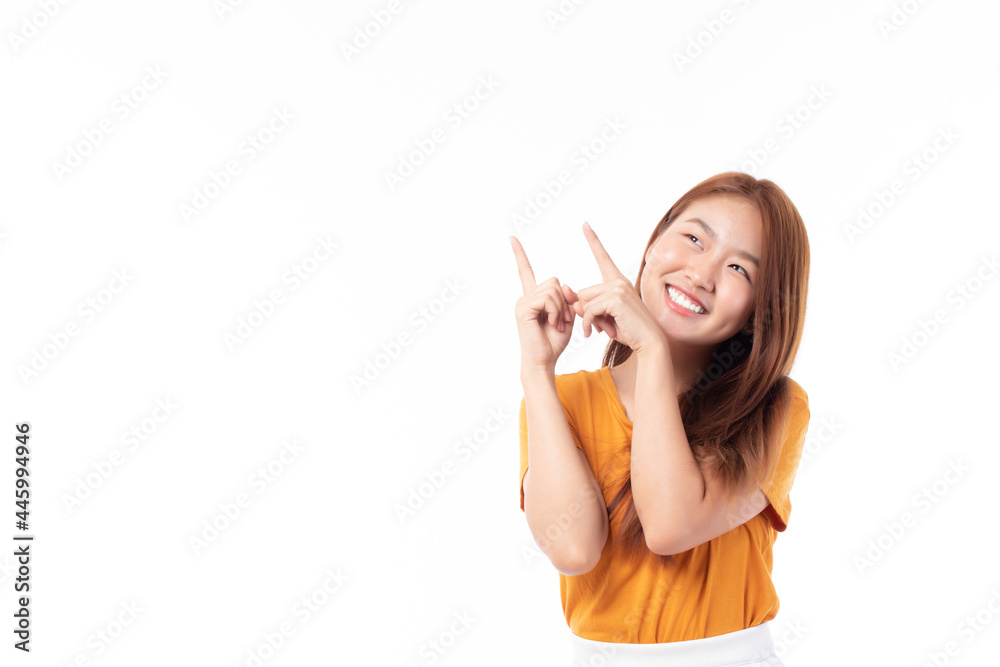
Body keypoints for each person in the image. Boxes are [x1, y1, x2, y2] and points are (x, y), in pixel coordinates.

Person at [510, 172, 811, 666]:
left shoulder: (774, 408)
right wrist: (537, 369)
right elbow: (572, 549)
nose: (701, 274)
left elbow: (670, 526)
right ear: (653, 245)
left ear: (761, 311)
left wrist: (650, 349)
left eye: (740, 269)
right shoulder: (561, 399)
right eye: (694, 238)